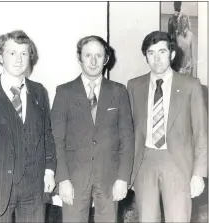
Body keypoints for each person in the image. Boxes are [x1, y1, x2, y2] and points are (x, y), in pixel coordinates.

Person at [51, 35, 135, 222]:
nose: (93, 61)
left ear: (106, 59)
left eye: (99, 55)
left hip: (109, 176)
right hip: (74, 177)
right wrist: (62, 179)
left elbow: (127, 139)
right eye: (88, 55)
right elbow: (56, 140)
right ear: (79, 57)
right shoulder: (64, 92)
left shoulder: (119, 91)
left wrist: (122, 178)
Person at [127, 31, 207, 222]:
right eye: (151, 53)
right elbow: (128, 132)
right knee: (146, 218)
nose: (157, 58)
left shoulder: (191, 86)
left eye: (162, 52)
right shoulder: (134, 86)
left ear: (172, 54)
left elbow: (201, 133)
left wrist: (199, 174)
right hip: (144, 163)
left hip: (178, 164)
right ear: (145, 56)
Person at [0, 30, 56, 223]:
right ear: (0, 56)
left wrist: (49, 171)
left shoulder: (39, 91)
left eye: (24, 53)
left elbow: (47, 134)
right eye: (12, 53)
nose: (19, 59)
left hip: (34, 185)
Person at [176, 11, 197, 77]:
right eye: (182, 17)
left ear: (187, 20)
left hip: (188, 67)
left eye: (185, 17)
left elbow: (193, 54)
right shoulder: (177, 35)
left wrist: (193, 69)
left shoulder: (190, 35)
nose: (184, 19)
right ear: (180, 20)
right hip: (179, 67)